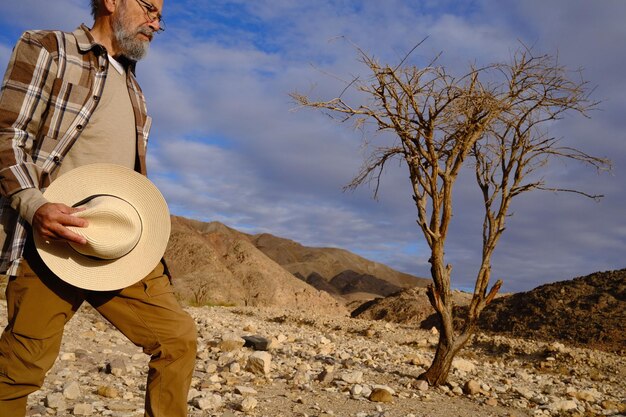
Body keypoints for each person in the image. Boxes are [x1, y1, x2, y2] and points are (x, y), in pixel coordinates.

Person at [0, 1, 197, 416]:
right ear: (111, 1)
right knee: (21, 368)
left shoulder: (134, 86)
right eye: (149, 8)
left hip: (117, 246)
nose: (157, 24)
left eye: (160, 16)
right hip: (49, 242)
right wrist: (34, 206)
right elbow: (6, 133)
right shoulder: (50, 48)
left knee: (177, 340)